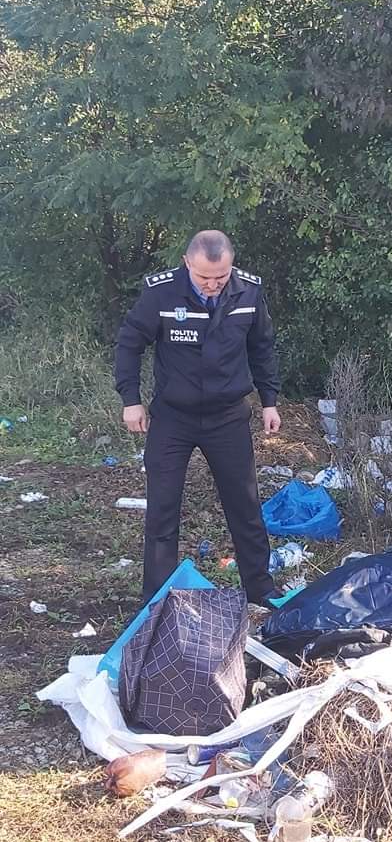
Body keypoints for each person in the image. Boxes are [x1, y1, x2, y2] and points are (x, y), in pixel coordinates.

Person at [114, 229, 281, 605]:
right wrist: (131, 400)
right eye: (205, 277)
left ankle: (260, 590)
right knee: (162, 510)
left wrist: (269, 400)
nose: (212, 285)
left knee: (245, 506)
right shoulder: (161, 293)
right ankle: (156, 601)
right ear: (187, 263)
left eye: (220, 277)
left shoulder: (248, 292)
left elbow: (262, 348)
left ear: (231, 266)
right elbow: (129, 343)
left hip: (228, 418)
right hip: (173, 418)